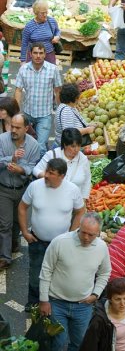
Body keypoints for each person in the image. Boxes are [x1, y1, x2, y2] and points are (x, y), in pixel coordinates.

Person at [18, 158, 85, 311]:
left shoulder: (72, 190)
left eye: (51, 173)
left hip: (61, 243)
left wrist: (71, 233)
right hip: (37, 240)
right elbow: (22, 208)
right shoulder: (35, 186)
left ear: (62, 176)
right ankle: (34, 302)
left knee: (59, 274)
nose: (46, 175)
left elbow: (81, 211)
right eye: (47, 171)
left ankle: (54, 304)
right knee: (36, 273)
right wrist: (25, 232)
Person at [39, 213, 111, 351]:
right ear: (79, 227)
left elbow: (104, 273)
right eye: (83, 232)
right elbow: (46, 270)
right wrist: (44, 300)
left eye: (91, 235)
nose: (86, 237)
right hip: (57, 303)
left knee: (79, 344)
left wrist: (95, 294)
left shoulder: (102, 248)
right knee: (58, 343)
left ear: (98, 233)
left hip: (83, 306)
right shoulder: (60, 242)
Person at [0, 114, 40, 269]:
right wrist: (10, 157)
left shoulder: (34, 145)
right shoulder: (2, 140)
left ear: (26, 128)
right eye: (12, 126)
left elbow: (33, 167)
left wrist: (21, 169)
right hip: (3, 188)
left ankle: (13, 244)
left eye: (17, 127)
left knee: (17, 222)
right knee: (5, 224)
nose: (13, 130)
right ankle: (4, 257)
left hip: (22, 189)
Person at [14, 42, 62, 157]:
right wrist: (16, 112)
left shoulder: (53, 69)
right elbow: (18, 90)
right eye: (35, 53)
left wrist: (60, 109)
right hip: (27, 113)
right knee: (26, 145)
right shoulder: (23, 69)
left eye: (41, 53)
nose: (38, 56)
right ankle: (28, 168)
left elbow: (57, 90)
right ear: (30, 54)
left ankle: (37, 173)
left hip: (44, 115)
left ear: (45, 54)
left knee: (40, 147)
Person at [80, 278, 125, 351]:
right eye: (118, 299)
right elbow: (89, 346)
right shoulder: (99, 319)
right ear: (110, 299)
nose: (122, 303)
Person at [33, 128, 91, 199]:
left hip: (75, 203)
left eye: (79, 145)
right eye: (73, 146)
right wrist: (49, 177)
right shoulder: (52, 155)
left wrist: (83, 200)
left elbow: (87, 182)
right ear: (65, 145)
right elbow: (36, 170)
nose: (76, 149)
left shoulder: (83, 159)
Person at [20, 0, 60, 64]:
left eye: (46, 12)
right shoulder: (29, 26)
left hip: (49, 55)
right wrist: (23, 60)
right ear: (36, 12)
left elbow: (57, 31)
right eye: (42, 13)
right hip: (34, 56)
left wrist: (57, 36)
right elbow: (24, 44)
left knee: (49, 73)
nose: (45, 15)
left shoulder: (52, 21)